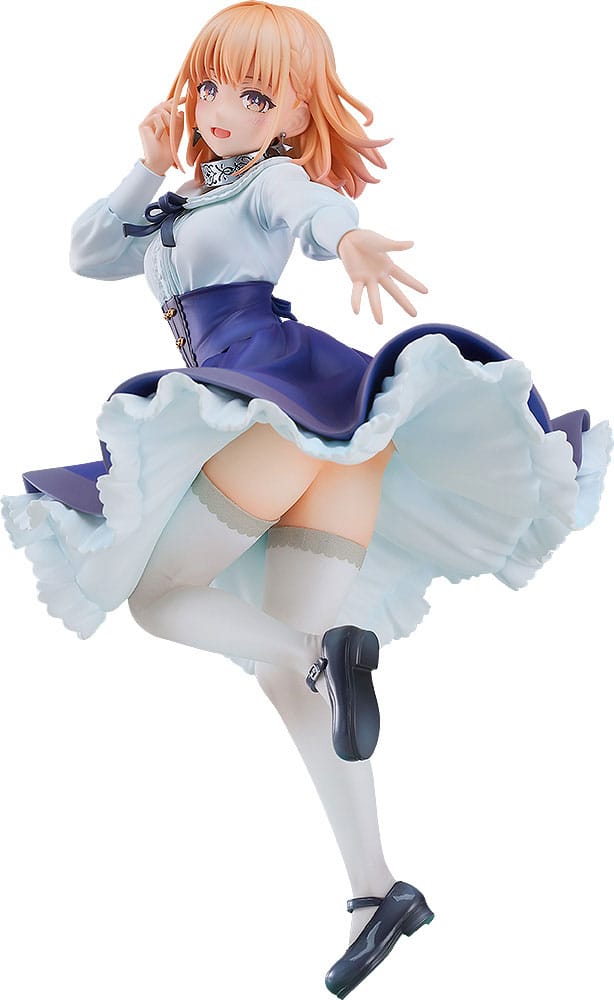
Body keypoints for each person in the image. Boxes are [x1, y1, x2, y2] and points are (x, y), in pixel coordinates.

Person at [2, 3, 610, 996]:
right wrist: (145, 167)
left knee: (160, 598)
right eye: (209, 86)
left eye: (254, 95)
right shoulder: (186, 197)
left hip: (276, 415)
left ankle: (322, 658)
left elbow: (313, 210)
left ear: (292, 115)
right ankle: (377, 890)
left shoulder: (270, 181)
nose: (222, 109)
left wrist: (351, 241)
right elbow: (86, 254)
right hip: (334, 443)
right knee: (288, 675)